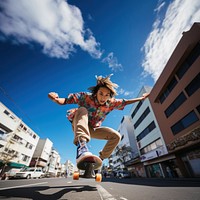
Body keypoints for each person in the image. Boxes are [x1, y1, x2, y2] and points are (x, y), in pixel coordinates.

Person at [48, 74, 149, 164]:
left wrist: (141, 98)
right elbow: (66, 100)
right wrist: (56, 99)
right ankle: (82, 146)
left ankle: (100, 159)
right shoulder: (85, 97)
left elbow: (125, 102)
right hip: (79, 124)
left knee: (116, 136)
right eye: (101, 93)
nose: (103, 98)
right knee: (82, 109)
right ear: (96, 92)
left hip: (93, 129)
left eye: (106, 95)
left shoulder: (111, 103)